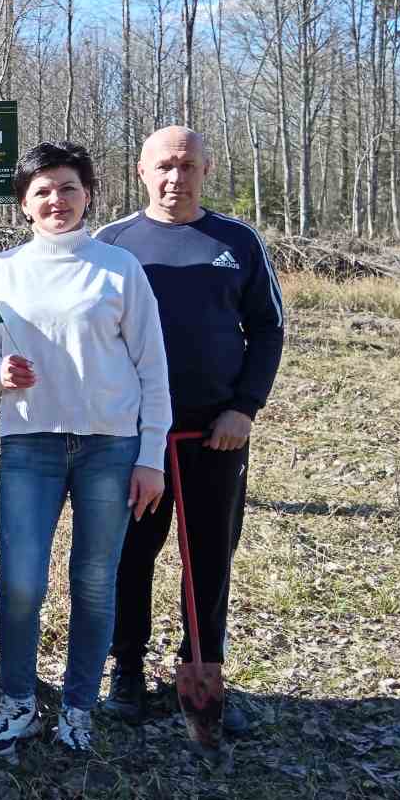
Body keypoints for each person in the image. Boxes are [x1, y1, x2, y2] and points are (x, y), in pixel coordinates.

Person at [0, 141, 171, 754]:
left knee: (95, 582)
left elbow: (153, 368)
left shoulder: (119, 268)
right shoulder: (3, 271)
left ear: (88, 195)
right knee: (21, 582)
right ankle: (17, 703)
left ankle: (78, 707)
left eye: (69, 187)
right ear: (24, 204)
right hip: (30, 446)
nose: (57, 200)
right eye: (43, 190)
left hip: (110, 446)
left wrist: (151, 456)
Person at [98, 126, 285, 733]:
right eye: (164, 166)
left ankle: (201, 671)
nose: (175, 177)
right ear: (142, 171)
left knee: (208, 555)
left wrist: (244, 408)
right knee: (130, 554)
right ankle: (125, 669)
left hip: (216, 434)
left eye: (187, 166)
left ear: (206, 170)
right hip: (136, 438)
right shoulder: (113, 243)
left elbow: (269, 329)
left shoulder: (237, 241)